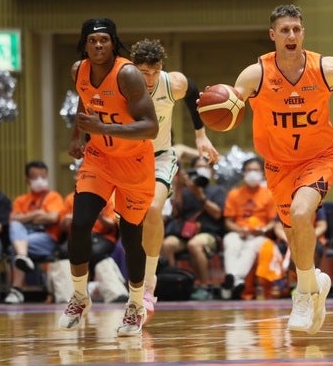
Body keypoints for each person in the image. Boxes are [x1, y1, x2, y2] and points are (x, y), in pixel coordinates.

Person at [224, 4, 333, 334]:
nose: (291, 35)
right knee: (294, 236)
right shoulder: (255, 74)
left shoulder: (327, 69)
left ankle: (302, 295)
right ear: (273, 35)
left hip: (319, 158)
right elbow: (232, 106)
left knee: (302, 214)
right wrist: (219, 107)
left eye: (296, 29)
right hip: (278, 165)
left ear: (303, 33)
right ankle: (314, 282)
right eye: (284, 30)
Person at [60, 18, 158, 337]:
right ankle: (80, 296)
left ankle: (135, 304)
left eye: (104, 39)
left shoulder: (127, 75)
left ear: (113, 43)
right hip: (99, 159)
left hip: (134, 163)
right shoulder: (79, 70)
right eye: (92, 40)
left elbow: (150, 126)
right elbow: (85, 98)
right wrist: (77, 136)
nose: (98, 45)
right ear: (84, 44)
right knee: (79, 223)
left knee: (130, 238)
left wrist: (103, 128)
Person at [130, 38, 219, 319]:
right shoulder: (120, 84)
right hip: (127, 161)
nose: (150, 79)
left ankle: (149, 282)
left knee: (154, 209)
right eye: (144, 73)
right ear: (133, 68)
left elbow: (193, 93)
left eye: (155, 72)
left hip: (159, 157)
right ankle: (132, 286)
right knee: (129, 226)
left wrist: (200, 135)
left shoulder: (172, 83)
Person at [161, 158, 226, 301]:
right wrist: (179, 187)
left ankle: (204, 286)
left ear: (211, 171)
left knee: (194, 244)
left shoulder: (217, 190)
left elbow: (217, 214)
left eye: (205, 167)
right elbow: (176, 213)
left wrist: (200, 196)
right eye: (198, 167)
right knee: (167, 244)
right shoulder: (185, 191)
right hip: (184, 234)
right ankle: (174, 283)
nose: (202, 169)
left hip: (208, 234)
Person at [4, 161, 64, 304]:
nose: (39, 180)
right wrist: (36, 214)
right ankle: (23, 256)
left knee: (15, 247)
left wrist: (25, 218)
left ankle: (16, 290)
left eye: (42, 176)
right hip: (25, 238)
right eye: (35, 177)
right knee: (15, 226)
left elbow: (53, 217)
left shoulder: (53, 196)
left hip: (47, 239)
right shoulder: (20, 200)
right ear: (27, 179)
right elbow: (12, 219)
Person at [220, 157, 276, 300]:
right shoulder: (234, 194)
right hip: (238, 232)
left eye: (256, 170)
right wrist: (240, 231)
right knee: (230, 242)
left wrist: (263, 230)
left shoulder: (269, 194)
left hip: (259, 235)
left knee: (251, 247)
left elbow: (273, 222)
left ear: (262, 173)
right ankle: (237, 280)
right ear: (243, 173)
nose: (252, 173)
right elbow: (228, 221)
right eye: (249, 170)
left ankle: (231, 278)